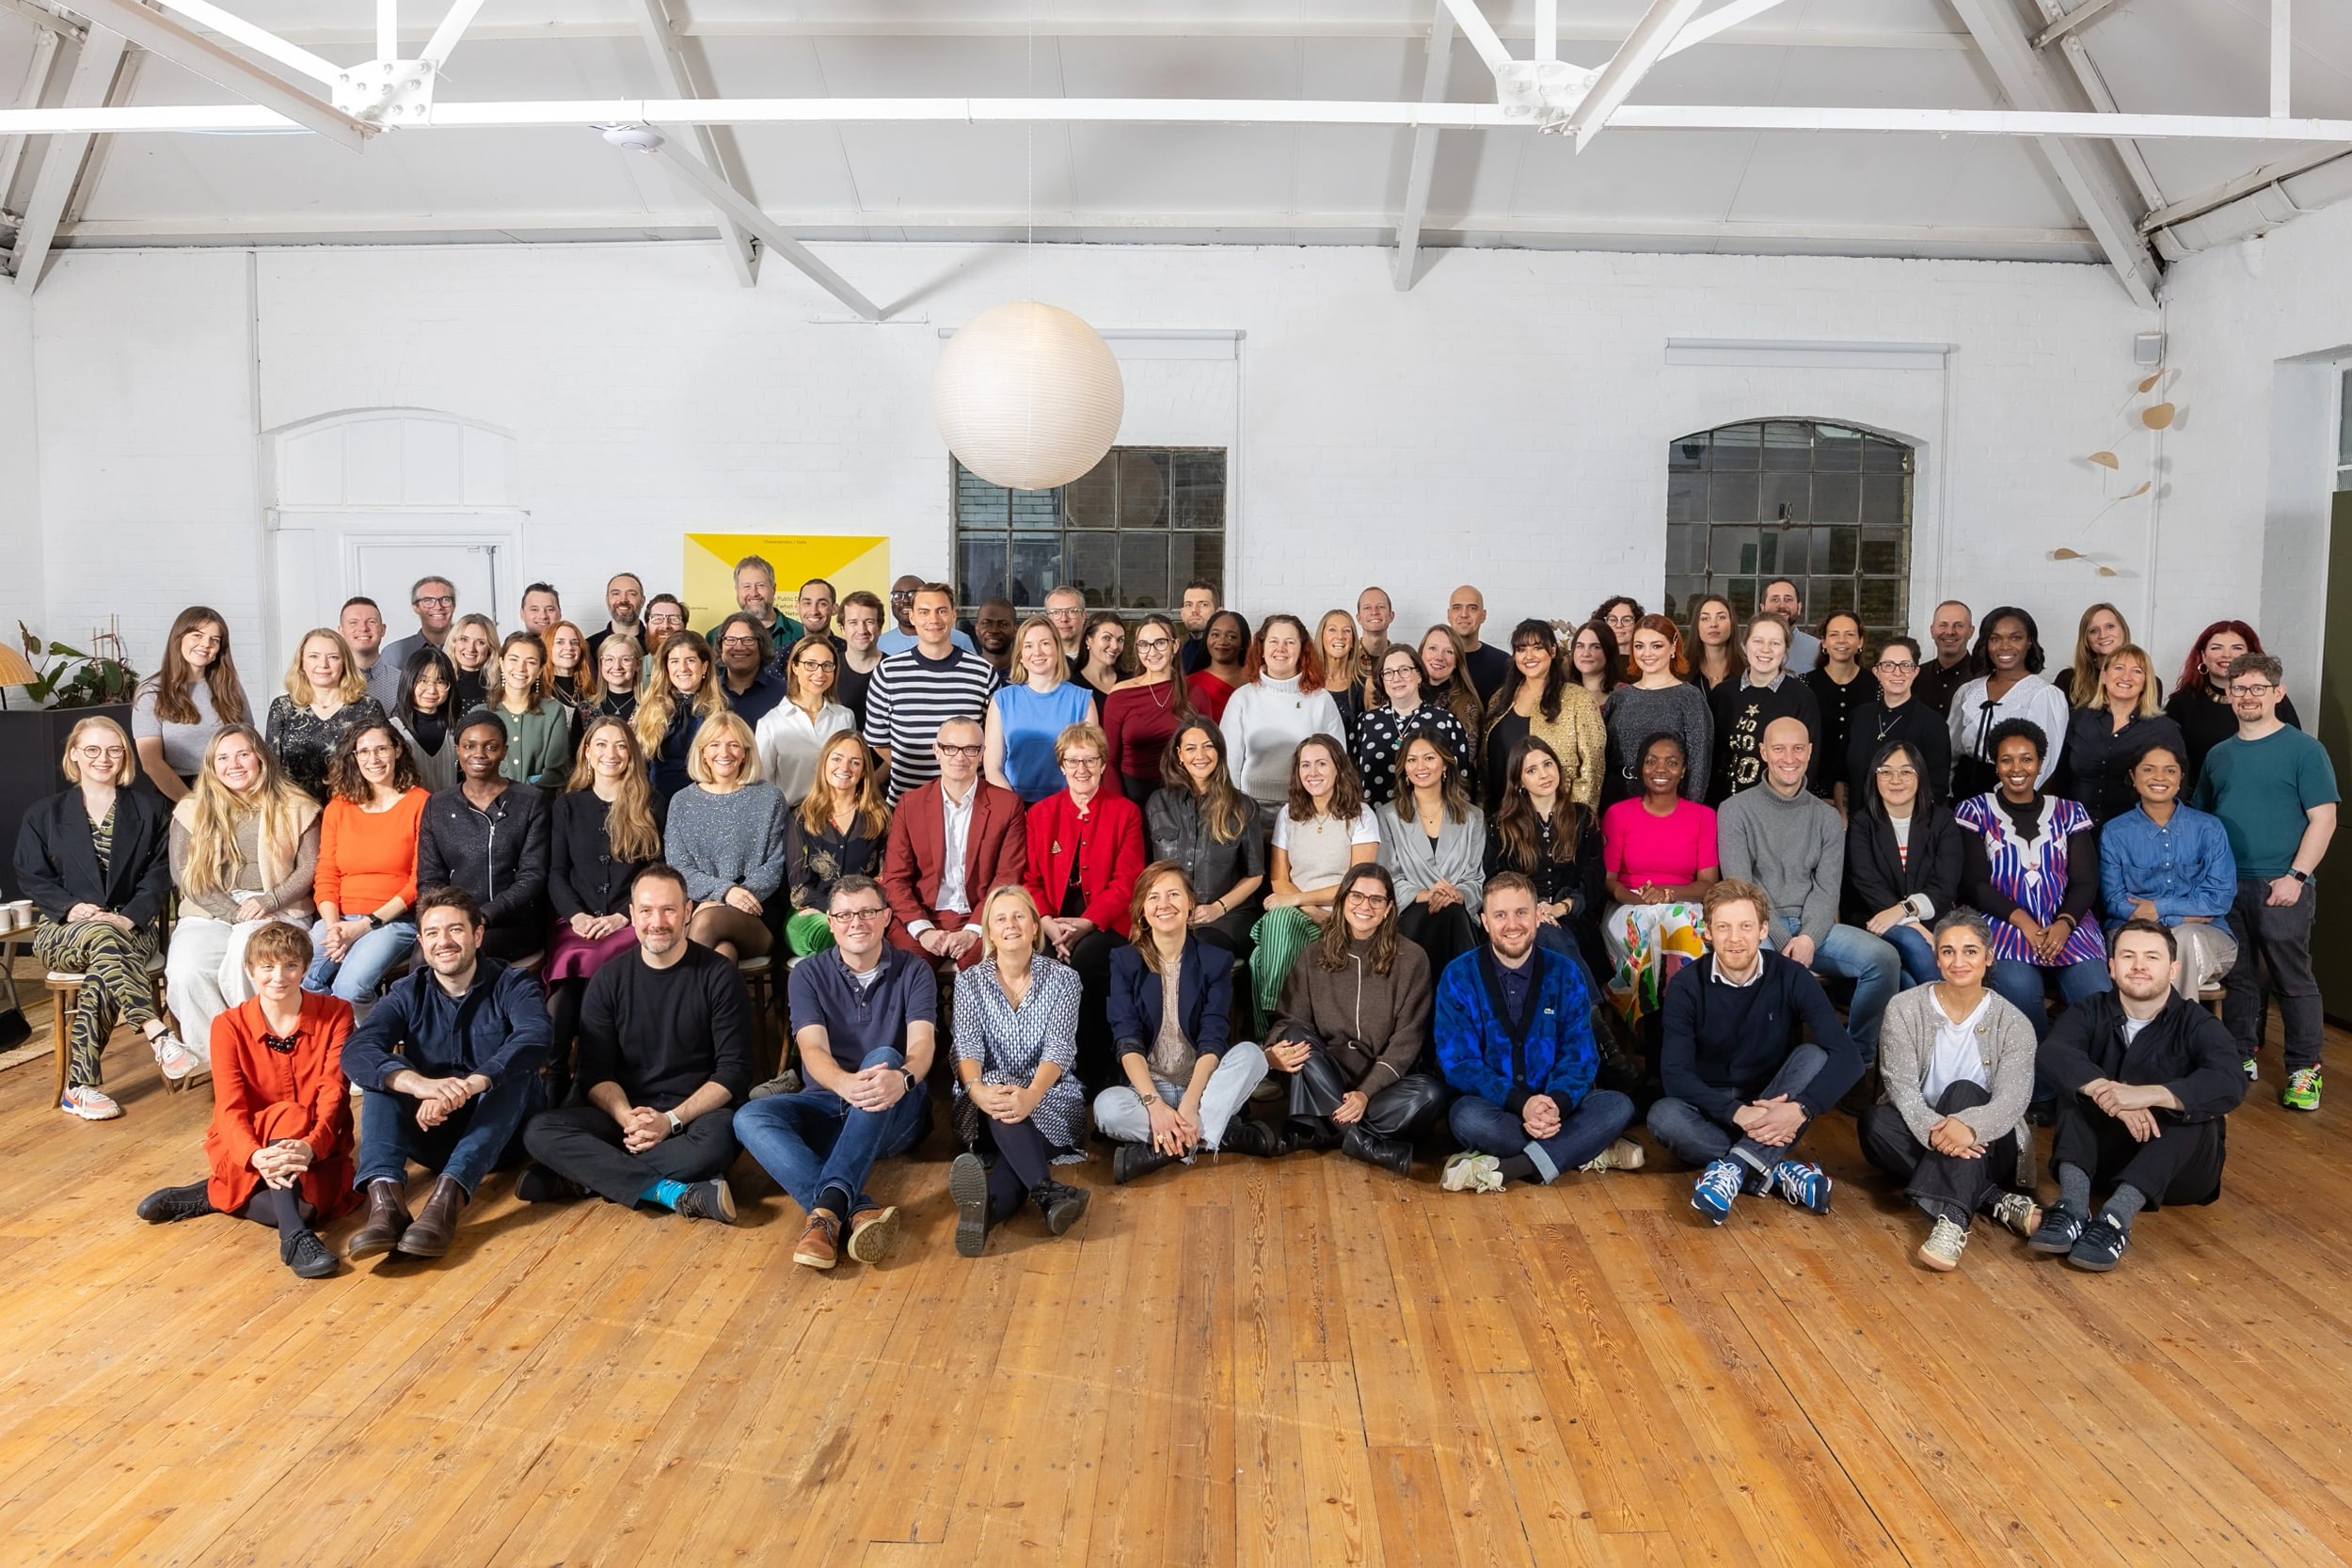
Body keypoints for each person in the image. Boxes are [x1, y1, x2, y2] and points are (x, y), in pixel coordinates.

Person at [517, 864, 749, 1224]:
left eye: (669, 910)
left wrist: (669, 1121)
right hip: (622, 1118)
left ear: (688, 912)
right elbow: (595, 1073)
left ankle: (582, 1176)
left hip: (691, 1116)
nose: (657, 921)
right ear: (631, 915)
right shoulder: (607, 980)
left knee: (718, 1144)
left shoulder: (719, 976)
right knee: (539, 1131)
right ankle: (670, 1191)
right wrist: (627, 1117)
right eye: (646, 910)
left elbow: (733, 1073)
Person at [132, 921, 356, 1279]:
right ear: (251, 971)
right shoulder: (228, 1025)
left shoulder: (336, 1013)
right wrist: (254, 1156)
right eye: (267, 967)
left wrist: (313, 1146)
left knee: (312, 1209)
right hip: (247, 1139)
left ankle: (217, 1194)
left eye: (290, 965)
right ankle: (293, 1238)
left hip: (315, 1143)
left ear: (305, 968)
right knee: (289, 1120)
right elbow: (230, 1106)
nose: (278, 977)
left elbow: (334, 1091)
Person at [340, 887, 549, 1261]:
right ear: (421, 941)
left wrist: (469, 1086)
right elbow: (357, 1050)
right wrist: (419, 1085)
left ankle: (447, 1200)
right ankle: (386, 1202)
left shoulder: (512, 984)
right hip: (431, 1132)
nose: (444, 942)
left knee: (515, 1070)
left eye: (455, 930)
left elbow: (536, 1038)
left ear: (477, 935)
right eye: (433, 933)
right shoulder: (407, 992)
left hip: (501, 1137)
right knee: (383, 1074)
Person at [736, 875, 935, 1269]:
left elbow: (922, 1046)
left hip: (897, 1107)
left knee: (883, 1055)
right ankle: (854, 1210)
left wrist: (905, 1078)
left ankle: (825, 1217)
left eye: (866, 912)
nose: (855, 923)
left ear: (886, 918)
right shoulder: (808, 974)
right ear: (830, 923)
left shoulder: (915, 971)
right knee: (749, 1116)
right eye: (844, 915)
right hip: (830, 1101)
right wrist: (844, 1084)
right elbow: (811, 1049)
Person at [2027, 920, 2249, 1271]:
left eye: (2152, 957)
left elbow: (2230, 1081)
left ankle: (2117, 1217)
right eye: (2128, 956)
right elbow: (2054, 1052)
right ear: (2112, 967)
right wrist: (2107, 1092)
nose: (2139, 966)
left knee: (2192, 1110)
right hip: (2103, 1160)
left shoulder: (2198, 1023)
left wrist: (2148, 1095)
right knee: (2078, 1090)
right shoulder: (2089, 1010)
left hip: (2179, 1175)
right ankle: (2072, 1204)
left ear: (2173, 969)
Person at [1648, 879, 1862, 1223]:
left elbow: (1848, 1058)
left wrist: (1801, 1110)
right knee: (1664, 1117)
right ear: (1708, 933)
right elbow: (1675, 1075)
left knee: (1815, 1056)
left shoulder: (1792, 976)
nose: (1735, 938)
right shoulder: (1686, 985)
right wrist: (1735, 1112)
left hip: (1774, 1103)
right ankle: (1773, 1168)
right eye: (1724, 927)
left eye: (1746, 926)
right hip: (1711, 1109)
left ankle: (1732, 1169)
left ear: (1763, 930)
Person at [15, 716, 188, 1114]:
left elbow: (161, 873)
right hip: (63, 929)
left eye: (113, 749)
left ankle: (79, 1087)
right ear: (74, 754)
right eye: (91, 749)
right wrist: (72, 908)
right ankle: (156, 1032)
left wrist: (129, 916)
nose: (103, 758)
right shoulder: (44, 813)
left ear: (124, 755)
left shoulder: (150, 808)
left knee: (105, 959)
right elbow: (30, 874)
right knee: (102, 940)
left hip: (131, 925)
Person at [1859, 910, 2043, 1271]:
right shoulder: (1904, 1007)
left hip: (1990, 1144)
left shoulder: (2015, 1024)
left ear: (1989, 958)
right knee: (1873, 1123)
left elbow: (2012, 1101)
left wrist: (1968, 1128)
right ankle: (1991, 1198)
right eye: (1948, 951)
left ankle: (1954, 1221)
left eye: (1971, 951)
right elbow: (1901, 1087)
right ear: (1937, 958)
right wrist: (1940, 1134)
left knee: (1964, 1092)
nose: (1959, 961)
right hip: (1922, 1131)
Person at [1717, 716, 1902, 1068]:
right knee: (1762, 969)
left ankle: (1854, 1060)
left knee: (1884, 959)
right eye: (1780, 749)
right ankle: (1772, 1068)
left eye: (1798, 748)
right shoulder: (1734, 811)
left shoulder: (1827, 817)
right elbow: (1742, 889)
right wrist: (1785, 936)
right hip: (1760, 929)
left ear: (1810, 752)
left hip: (1815, 929)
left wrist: (1807, 939)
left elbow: (1827, 888)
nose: (1790, 757)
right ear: (1763, 752)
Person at [1435, 873, 1639, 1192]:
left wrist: (1555, 1102)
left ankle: (1512, 1167)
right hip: (1496, 1108)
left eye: (1521, 913)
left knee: (1618, 1106)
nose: (1512, 924)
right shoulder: (1458, 975)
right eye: (1500, 915)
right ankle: (1584, 1148)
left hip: (1558, 1104)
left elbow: (1580, 1056)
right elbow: (1459, 1063)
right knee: (1467, 1120)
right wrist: (1521, 1104)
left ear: (1537, 916)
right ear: (1484, 921)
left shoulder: (1566, 972)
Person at [2195, 651, 2338, 1107]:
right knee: (2238, 976)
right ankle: (2240, 1053)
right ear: (2228, 695)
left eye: (2259, 688)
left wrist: (2296, 876)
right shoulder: (2219, 755)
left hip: (2283, 883)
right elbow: (2202, 818)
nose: (2248, 697)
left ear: (2278, 693)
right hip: (2226, 885)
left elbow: (2324, 819)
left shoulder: (2305, 750)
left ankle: (2304, 1070)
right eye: (2239, 689)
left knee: (2291, 977)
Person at [1092, 862, 1279, 1182]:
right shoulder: (1124, 961)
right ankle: (1215, 1136)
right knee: (1106, 1108)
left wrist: (1191, 1103)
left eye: (1174, 894)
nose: (1164, 904)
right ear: (1142, 910)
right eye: (1153, 897)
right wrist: (1155, 1106)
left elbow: (1213, 1037)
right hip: (1149, 1090)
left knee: (1251, 1054)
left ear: (1191, 903)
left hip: (1204, 1089)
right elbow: (1127, 1040)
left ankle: (1162, 1149)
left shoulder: (1214, 960)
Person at [1264, 862, 1443, 1174]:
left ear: (1388, 908)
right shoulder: (1313, 955)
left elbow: (1407, 1042)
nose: (1365, 906)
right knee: (1293, 1034)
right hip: (1325, 1075)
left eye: (1376, 899)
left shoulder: (1412, 959)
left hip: (1380, 1089)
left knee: (1430, 1094)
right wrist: (1272, 1054)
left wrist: (1365, 1093)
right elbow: (1288, 1022)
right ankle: (1359, 1139)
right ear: (1343, 900)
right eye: (1357, 896)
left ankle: (1321, 1128)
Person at [945, 884, 1092, 1256]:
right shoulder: (968, 981)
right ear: (989, 933)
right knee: (1001, 1102)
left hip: (1050, 1095)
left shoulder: (1064, 980)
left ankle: (988, 1212)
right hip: (987, 1100)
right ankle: (1049, 1196)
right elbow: (966, 1044)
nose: (1010, 925)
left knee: (1013, 1141)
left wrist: (1031, 1095)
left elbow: (1060, 1048)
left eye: (1019, 916)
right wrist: (978, 1091)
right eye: (1000, 919)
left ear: (1034, 927)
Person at [166, 725, 321, 1063]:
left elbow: (310, 868)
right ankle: (223, 1062)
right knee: (186, 970)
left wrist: (268, 901)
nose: (233, 764)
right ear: (211, 765)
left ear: (261, 759)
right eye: (222, 757)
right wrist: (231, 911)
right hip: (210, 909)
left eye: (243, 754)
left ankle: (265, 1055)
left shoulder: (296, 805)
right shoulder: (192, 809)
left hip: (277, 907)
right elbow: (184, 873)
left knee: (245, 956)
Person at [1953, 719, 2110, 1040]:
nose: (2017, 768)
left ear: (2040, 763)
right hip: (2002, 924)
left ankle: (2086, 1079)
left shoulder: (2069, 812)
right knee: (2021, 991)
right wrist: (2024, 923)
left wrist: (2064, 924)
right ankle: (2036, 1084)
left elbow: (2085, 882)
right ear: (1995, 765)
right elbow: (1973, 884)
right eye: (2006, 759)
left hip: (2068, 924)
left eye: (2026, 759)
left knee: (2096, 995)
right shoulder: (1975, 811)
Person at [1020, 722, 1147, 1086]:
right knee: (1031, 959)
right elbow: (1031, 880)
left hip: (1106, 923)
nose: (1081, 770)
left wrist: (1085, 924)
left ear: (1103, 764)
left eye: (1090, 760)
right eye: (1073, 761)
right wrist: (1048, 925)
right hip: (1050, 922)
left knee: (1087, 960)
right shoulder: (1040, 814)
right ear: (1061, 765)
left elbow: (1128, 883)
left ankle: (1092, 1068)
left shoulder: (1126, 812)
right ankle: (1039, 1070)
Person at [544, 716, 663, 1096]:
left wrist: (621, 916)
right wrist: (577, 916)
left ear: (631, 755)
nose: (610, 753)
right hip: (574, 922)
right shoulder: (566, 806)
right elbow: (556, 874)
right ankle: (557, 1070)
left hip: (630, 922)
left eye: (620, 745)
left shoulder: (651, 803)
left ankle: (595, 1075)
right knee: (567, 968)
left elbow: (656, 874)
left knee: (604, 962)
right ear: (587, 753)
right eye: (601, 744)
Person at [1249, 736, 1381, 1028]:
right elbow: (1278, 878)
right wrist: (1310, 910)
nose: (1313, 772)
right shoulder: (1289, 814)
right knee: (1279, 922)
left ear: (1338, 768)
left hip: (1346, 915)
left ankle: (1273, 1024)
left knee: (1259, 959)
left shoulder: (1361, 815)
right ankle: (1278, 1026)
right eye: (1305, 765)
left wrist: (1298, 901)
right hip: (1302, 916)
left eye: (1321, 764)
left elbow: (1359, 884)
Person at [880, 716, 1027, 970]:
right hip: (923, 914)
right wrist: (922, 930)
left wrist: (974, 929)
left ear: (982, 753)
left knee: (986, 967)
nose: (960, 757)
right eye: (950, 748)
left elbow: (1007, 876)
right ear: (936, 750)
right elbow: (895, 877)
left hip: (983, 915)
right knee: (908, 970)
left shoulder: (1007, 805)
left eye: (970, 749)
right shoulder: (910, 805)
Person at [2099, 738, 2238, 1003]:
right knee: (2149, 951)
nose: (2159, 777)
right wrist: (2183, 916)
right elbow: (2114, 900)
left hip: (2207, 942)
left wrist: (2159, 908)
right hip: (2133, 934)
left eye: (2170, 770)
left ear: (2181, 777)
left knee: (2185, 940)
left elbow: (2219, 898)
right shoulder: (2115, 832)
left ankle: (2172, 1032)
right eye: (2149, 769)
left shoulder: (2209, 828)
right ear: (2133, 775)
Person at [306, 721, 430, 1009]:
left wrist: (364, 925)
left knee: (348, 990)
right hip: (339, 918)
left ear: (397, 750)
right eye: (363, 752)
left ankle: (369, 1045)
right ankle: (328, 1046)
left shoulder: (420, 803)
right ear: (354, 757)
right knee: (299, 977)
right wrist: (333, 925)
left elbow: (419, 880)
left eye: (381, 749)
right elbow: (327, 872)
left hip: (393, 921)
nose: (373, 760)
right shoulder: (339, 806)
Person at [1600, 732, 1720, 1028]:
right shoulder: (1618, 814)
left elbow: (1708, 886)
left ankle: (1666, 1020)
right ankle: (1662, 1025)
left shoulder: (1703, 817)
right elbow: (1609, 882)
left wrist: (1668, 894)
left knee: (1673, 921)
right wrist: (1641, 898)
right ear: (1641, 767)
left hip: (1683, 905)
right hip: (1628, 907)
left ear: (1683, 770)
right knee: (1660, 924)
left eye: (1671, 762)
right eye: (1651, 761)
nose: (1660, 769)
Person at [417, 711, 551, 963]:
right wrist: (442, 921)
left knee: (466, 955)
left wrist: (483, 916)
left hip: (511, 923)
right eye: (469, 746)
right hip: (454, 921)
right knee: (423, 960)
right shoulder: (438, 805)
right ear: (457, 750)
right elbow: (430, 879)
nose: (479, 754)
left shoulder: (531, 802)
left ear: (504, 751)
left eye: (490, 747)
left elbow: (532, 877)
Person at [664, 712, 789, 963]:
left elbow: (775, 865)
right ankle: (718, 1003)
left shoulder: (769, 798)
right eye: (715, 745)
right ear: (702, 753)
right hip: (700, 907)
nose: (725, 752)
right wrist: (724, 892)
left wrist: (732, 897)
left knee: (708, 923)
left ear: (745, 752)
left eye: (734, 745)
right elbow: (678, 868)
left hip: (756, 911)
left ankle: (676, 999)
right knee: (723, 954)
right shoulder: (682, 802)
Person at [865, 581, 1003, 804]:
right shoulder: (888, 672)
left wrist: (960, 769)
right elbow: (878, 741)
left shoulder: (983, 673)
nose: (934, 619)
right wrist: (911, 767)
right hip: (906, 801)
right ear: (912, 617)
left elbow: (995, 742)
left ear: (953, 615)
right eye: (924, 612)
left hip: (969, 803)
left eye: (941, 611)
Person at [1844, 738, 1965, 989]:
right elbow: (1866, 882)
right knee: (1912, 944)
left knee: (1908, 982)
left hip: (1933, 920)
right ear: (1874, 778)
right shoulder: (1862, 823)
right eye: (1886, 772)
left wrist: (1904, 910)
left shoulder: (1942, 821)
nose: (1895, 780)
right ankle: (1949, 1017)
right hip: (1875, 919)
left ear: (1920, 775)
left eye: (1906, 772)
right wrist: (1913, 925)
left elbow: (1945, 885)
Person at [1488, 735, 1607, 981]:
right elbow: (1496, 880)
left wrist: (1561, 907)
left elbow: (1594, 878)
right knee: (1546, 933)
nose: (1543, 774)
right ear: (1519, 781)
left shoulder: (1583, 819)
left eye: (1548, 764)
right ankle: (1590, 1009)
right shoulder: (1501, 825)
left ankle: (1583, 1009)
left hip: (1571, 915)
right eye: (1531, 770)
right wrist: (1531, 910)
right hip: (1519, 917)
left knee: (1555, 935)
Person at [1144, 717, 1264, 954]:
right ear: (1179, 754)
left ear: (1219, 750)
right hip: (1170, 914)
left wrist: (1218, 908)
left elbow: (1255, 875)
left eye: (1208, 746)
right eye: (1191, 748)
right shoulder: (1157, 803)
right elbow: (1150, 871)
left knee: (1193, 950)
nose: (1200, 755)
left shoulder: (1243, 806)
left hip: (1226, 917)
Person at [1378, 734, 1486, 974]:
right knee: (1449, 915)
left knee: (1453, 912)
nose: (1420, 767)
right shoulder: (1388, 816)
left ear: (1445, 763)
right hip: (1411, 913)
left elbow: (1475, 879)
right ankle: (1466, 996)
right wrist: (1425, 894)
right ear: (1404, 768)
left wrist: (1458, 894)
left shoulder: (1473, 817)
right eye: (1412, 760)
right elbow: (1388, 878)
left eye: (1429, 758)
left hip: (1459, 913)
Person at [1224, 613, 1344, 825]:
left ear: (1302, 650)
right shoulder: (1242, 699)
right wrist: (1233, 809)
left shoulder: (1321, 700)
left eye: (1290, 642)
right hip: (1250, 808)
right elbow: (1229, 762)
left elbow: (1338, 760)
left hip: (1307, 805)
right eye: (1273, 641)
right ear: (1261, 649)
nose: (1281, 649)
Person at [1483, 619, 1606, 816]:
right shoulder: (1500, 699)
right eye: (1521, 649)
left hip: (1557, 818)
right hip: (1502, 815)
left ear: (1554, 651)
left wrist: (1579, 817)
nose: (1528, 656)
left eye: (1537, 648)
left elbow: (1592, 766)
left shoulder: (1578, 699)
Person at [785, 731, 890, 958]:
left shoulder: (881, 817)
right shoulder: (801, 817)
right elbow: (800, 891)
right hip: (814, 913)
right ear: (824, 763)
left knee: (858, 931)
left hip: (866, 914)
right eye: (837, 758)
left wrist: (856, 913)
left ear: (863, 771)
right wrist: (836, 911)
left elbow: (886, 878)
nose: (845, 767)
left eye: (855, 762)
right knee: (829, 933)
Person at [1948, 606, 2069, 800]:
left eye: (2015, 638)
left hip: (2013, 791)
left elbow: (2046, 760)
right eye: (1995, 639)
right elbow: (1951, 748)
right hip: (1964, 788)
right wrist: (1947, 793)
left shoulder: (2044, 694)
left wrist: (2009, 800)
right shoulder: (1968, 691)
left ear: (2029, 641)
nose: (2005, 646)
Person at [2167, 619, 2305, 787]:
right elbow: (2166, 758)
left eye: (2237, 648)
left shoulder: (2272, 699)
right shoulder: (2181, 703)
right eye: (2216, 648)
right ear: (2203, 655)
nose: (2226, 655)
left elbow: (2295, 755)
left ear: (2252, 655)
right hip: (2198, 801)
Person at [2058, 641, 2185, 825]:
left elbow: (2178, 789)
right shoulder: (2078, 720)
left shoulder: (2165, 729)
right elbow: (2061, 779)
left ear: (2145, 683)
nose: (2127, 676)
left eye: (2137, 671)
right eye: (2119, 668)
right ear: (2103, 675)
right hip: (2076, 829)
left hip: (2134, 833)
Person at [134, 606, 249, 802]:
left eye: (215, 639)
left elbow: (249, 744)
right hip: (179, 794)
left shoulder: (230, 687)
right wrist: (192, 806)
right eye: (197, 635)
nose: (206, 644)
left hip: (232, 791)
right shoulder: (151, 693)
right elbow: (151, 763)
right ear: (179, 638)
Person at [1706, 613, 1820, 806]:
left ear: (1785, 650)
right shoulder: (1722, 694)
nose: (1765, 649)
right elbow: (1710, 755)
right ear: (1744, 645)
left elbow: (1810, 762)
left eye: (1775, 643)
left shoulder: (1802, 697)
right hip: (1723, 806)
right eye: (1758, 641)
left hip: (1777, 807)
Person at [266, 627, 389, 803]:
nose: (323, 664)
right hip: (296, 812)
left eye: (333, 657)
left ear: (345, 662)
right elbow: (271, 769)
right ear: (301, 661)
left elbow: (383, 763)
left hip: (355, 808)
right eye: (314, 656)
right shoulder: (282, 708)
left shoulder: (368, 708)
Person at [984, 616, 1097, 803]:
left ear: (1057, 650)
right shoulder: (1001, 700)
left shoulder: (1083, 700)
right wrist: (1014, 810)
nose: (1037, 652)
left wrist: (1061, 808)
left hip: (1069, 804)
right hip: (1013, 805)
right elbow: (992, 768)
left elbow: (1090, 764)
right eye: (1028, 646)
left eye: (1045, 643)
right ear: (1020, 655)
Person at [1352, 642, 1476, 812]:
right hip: (1375, 824)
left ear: (1419, 674)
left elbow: (1461, 782)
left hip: (1431, 824)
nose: (1396, 678)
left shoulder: (1445, 722)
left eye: (1404, 670)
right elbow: (1352, 778)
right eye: (1388, 672)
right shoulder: (1366, 722)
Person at [1602, 614, 1711, 806]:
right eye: (1639, 646)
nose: (1647, 653)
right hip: (1616, 800)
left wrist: (1687, 813)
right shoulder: (1620, 697)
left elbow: (1698, 767)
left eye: (1656, 645)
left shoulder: (1689, 698)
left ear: (1673, 646)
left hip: (1666, 803)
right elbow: (1602, 758)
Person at [1840, 636, 1950, 816]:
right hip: (1857, 826)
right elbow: (1842, 777)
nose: (1897, 673)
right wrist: (1844, 818)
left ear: (1915, 671)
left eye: (1906, 665)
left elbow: (1936, 789)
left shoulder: (1933, 723)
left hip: (1907, 831)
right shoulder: (1859, 716)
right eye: (1888, 665)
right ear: (1876, 672)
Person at [754, 631, 856, 807]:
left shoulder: (845, 718)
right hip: (792, 819)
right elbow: (763, 788)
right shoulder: (770, 724)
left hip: (838, 816)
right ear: (794, 667)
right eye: (810, 664)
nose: (820, 673)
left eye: (827, 665)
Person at [633, 630, 727, 817]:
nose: (682, 668)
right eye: (674, 661)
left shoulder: (722, 711)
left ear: (705, 666)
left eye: (690, 660)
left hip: (706, 807)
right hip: (656, 806)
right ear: (666, 667)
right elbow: (638, 767)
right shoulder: (647, 709)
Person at [1102, 611, 1191, 803]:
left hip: (1183, 799)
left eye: (1160, 643)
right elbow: (1110, 761)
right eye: (1144, 645)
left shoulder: (1196, 693)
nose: (1152, 652)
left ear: (1174, 645)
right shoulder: (1120, 695)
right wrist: (1120, 810)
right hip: (1133, 796)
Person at [1802, 611, 1877, 801]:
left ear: (1860, 642)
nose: (1841, 640)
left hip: (1865, 791)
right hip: (1813, 790)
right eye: (1834, 634)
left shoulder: (1877, 685)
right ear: (1824, 642)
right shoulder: (1804, 684)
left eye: (1850, 634)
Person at [491, 630, 574, 791]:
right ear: (501, 663)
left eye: (530, 662)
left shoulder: (553, 711)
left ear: (541, 669)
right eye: (513, 659)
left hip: (539, 806)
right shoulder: (481, 713)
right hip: (490, 807)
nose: (521, 668)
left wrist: (524, 795)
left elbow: (556, 772)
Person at [389, 644, 461, 794]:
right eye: (423, 681)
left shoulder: (457, 731)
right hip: (409, 815)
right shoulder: (390, 731)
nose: (432, 690)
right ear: (408, 680)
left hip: (450, 814)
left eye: (440, 682)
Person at [709, 554, 803, 655]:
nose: (754, 593)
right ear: (737, 590)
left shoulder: (800, 634)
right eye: (746, 586)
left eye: (760, 585)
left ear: (773, 589)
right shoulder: (715, 637)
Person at [2049, 601, 2132, 708]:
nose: (2103, 635)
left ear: (2124, 631)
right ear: (2086, 640)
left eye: (2110, 626)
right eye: (2094, 631)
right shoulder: (2068, 679)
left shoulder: (2145, 681)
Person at [711, 612, 787, 728]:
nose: (739, 647)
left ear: (761, 646)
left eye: (748, 640)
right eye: (730, 640)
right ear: (721, 647)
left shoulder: (784, 693)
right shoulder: (708, 692)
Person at [1913, 599, 1980, 722]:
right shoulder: (1915, 676)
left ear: (1971, 631)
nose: (1950, 632)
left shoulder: (1983, 678)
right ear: (1932, 630)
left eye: (1959, 625)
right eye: (1943, 625)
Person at [1446, 585, 1511, 706]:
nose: (1464, 614)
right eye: (1457, 608)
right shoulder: (1433, 661)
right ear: (1448, 614)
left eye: (1472, 608)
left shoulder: (1503, 662)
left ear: (1483, 615)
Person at [380, 575, 456, 675]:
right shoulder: (394, 654)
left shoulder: (470, 651)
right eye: (428, 601)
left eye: (445, 599)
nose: (438, 607)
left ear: (454, 605)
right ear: (416, 607)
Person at [342, 595, 403, 717]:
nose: (363, 628)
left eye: (371, 622)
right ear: (341, 631)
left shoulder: (402, 682)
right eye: (353, 622)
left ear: (382, 630)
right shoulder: (326, 680)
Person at [835, 590, 887, 728]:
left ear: (880, 627)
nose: (862, 630)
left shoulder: (894, 671)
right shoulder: (829, 671)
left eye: (869, 622)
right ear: (842, 629)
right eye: (853, 622)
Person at [1186, 608, 1248, 721]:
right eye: (1215, 635)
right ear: (1206, 639)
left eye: (1232, 637)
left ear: (1242, 642)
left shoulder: (1255, 680)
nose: (1222, 641)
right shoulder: (1189, 684)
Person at [1315, 609, 1370, 736]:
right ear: (1321, 637)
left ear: (1353, 641)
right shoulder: (1306, 682)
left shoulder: (1366, 685)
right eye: (1332, 630)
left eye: (1346, 631)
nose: (1340, 636)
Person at [1686, 593, 1742, 699]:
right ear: (1696, 626)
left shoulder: (1747, 671)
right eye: (1705, 618)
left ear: (1732, 623)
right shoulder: (1680, 672)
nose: (1713, 624)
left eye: (1721, 617)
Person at [1760, 578, 1821, 672]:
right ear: (1762, 608)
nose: (1782, 605)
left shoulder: (1817, 650)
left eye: (1788, 599)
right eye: (1775, 599)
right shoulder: (1745, 650)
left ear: (1799, 607)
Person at [445, 613, 501, 712]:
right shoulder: (441, 682)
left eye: (480, 642)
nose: (471, 649)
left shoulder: (500, 686)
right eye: (464, 639)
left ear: (490, 648)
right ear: (453, 643)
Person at [585, 570, 645, 659]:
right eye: (616, 594)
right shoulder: (589, 647)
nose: (623, 599)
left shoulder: (657, 645)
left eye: (632, 594)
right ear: (607, 600)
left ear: (642, 601)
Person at [1073, 611, 1128, 704]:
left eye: (1120, 640)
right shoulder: (1074, 686)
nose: (1115, 646)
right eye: (1107, 638)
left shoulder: (1131, 680)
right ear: (1088, 640)